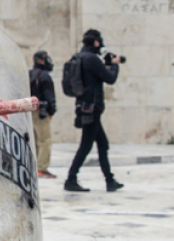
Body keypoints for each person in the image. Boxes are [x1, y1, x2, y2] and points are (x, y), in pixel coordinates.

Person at [65, 29, 123, 193]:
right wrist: (114, 64)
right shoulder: (92, 59)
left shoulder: (79, 57)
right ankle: (71, 179)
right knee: (86, 146)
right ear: (96, 42)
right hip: (92, 108)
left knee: (102, 144)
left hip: (84, 106)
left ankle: (110, 180)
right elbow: (110, 78)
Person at [29, 50, 58, 179]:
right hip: (41, 111)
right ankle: (42, 167)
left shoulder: (29, 73)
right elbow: (49, 95)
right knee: (45, 140)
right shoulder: (44, 75)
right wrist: (51, 111)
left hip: (28, 110)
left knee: (34, 140)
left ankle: (33, 166)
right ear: (41, 60)